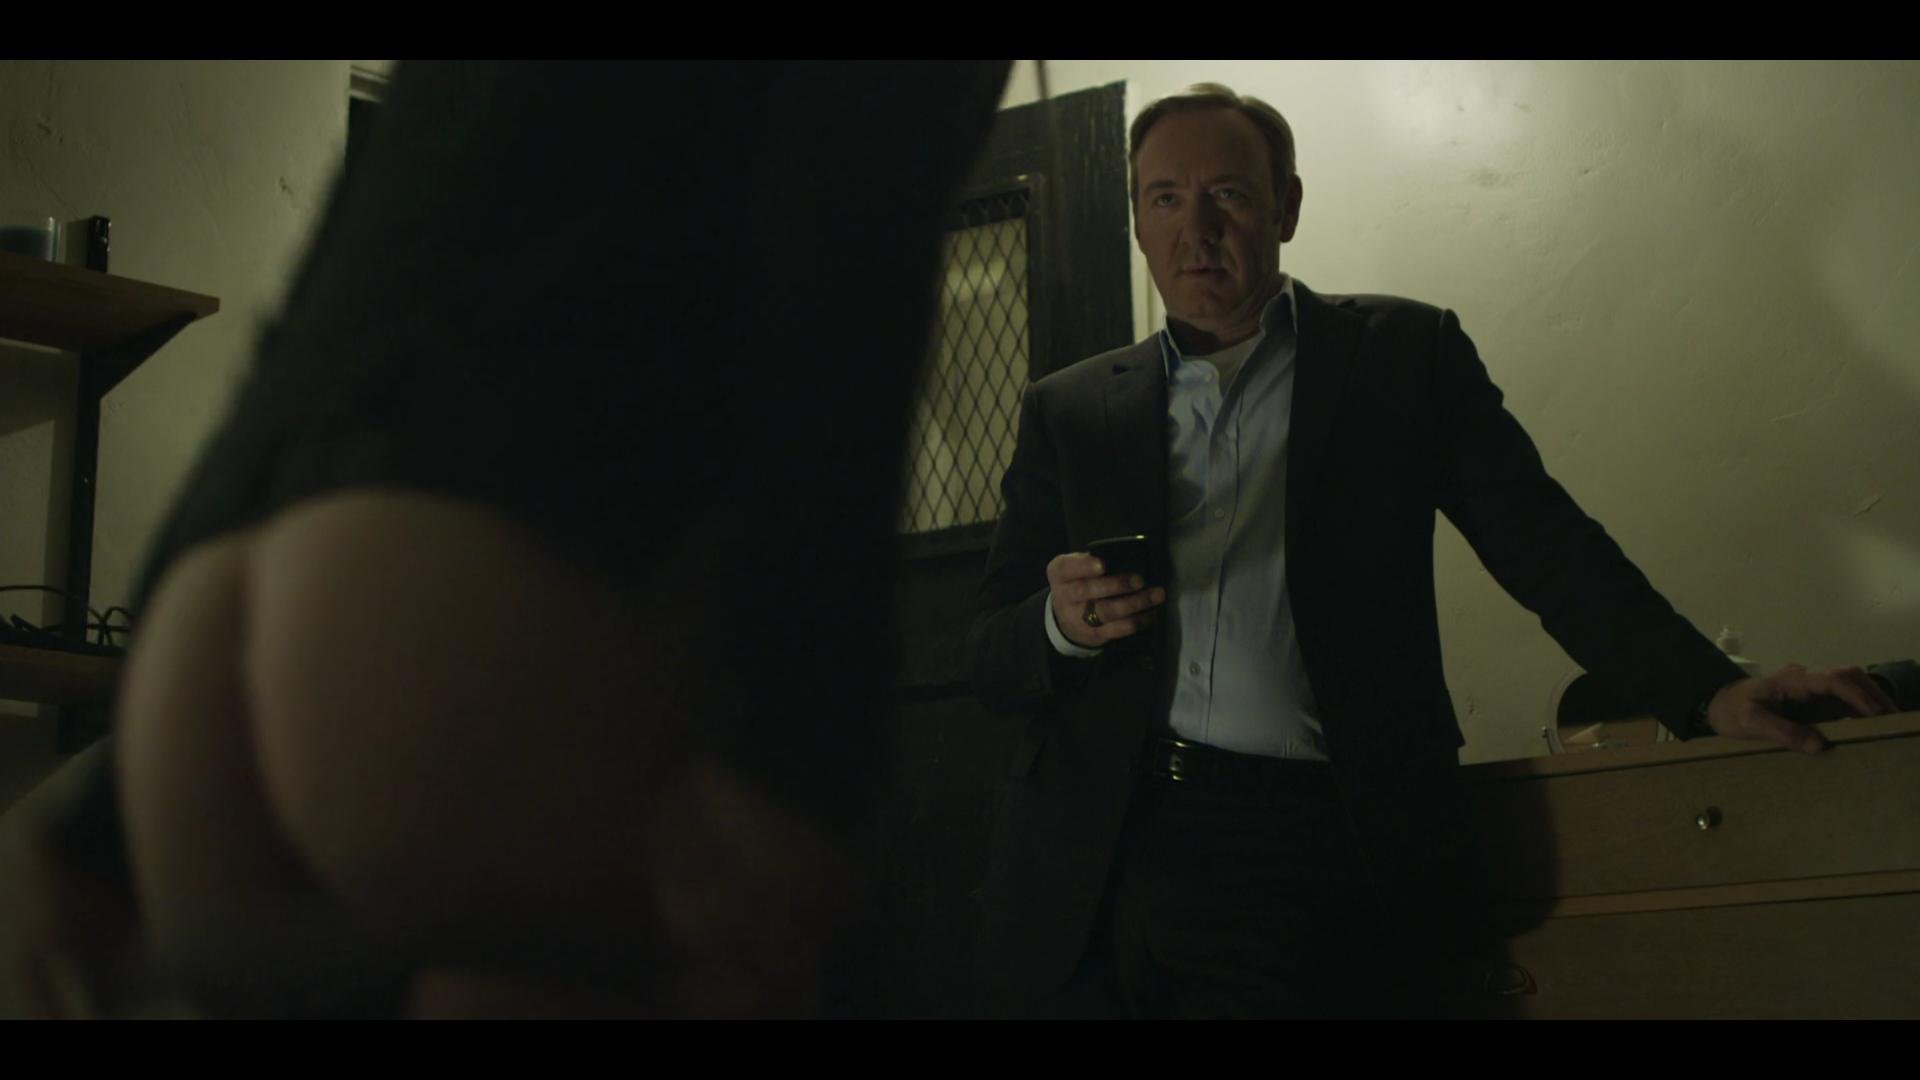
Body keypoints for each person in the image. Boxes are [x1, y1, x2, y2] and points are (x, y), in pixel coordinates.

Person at [0, 59, 1010, 1018]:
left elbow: (314, 321)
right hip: (442, 661)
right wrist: (808, 773)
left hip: (202, 667)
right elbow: (848, 281)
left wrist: (95, 826)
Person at [965, 82, 1898, 1018]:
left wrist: (1706, 690)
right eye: (1165, 198)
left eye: (1230, 194)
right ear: (1136, 220)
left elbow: (1547, 547)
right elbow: (991, 651)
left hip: (1301, 844)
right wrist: (1058, 625)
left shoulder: (1400, 356)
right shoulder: (1069, 408)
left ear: (1287, 206)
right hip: (1089, 862)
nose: (1194, 229)